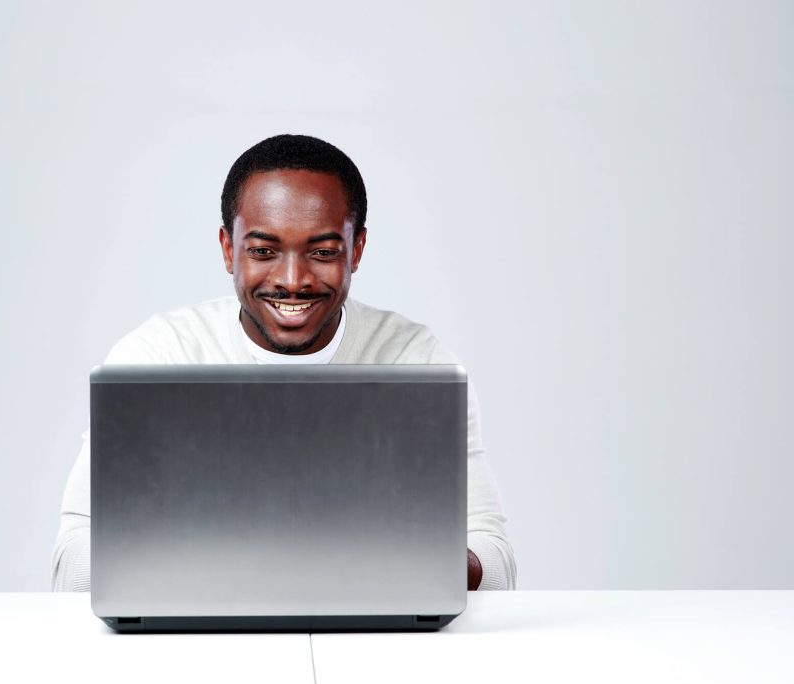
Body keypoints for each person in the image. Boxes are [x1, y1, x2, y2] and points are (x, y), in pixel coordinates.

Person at [52, 134, 516, 592]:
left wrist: (408, 563)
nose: (293, 281)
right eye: (263, 251)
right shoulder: (156, 357)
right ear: (228, 249)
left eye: (323, 252)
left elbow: (495, 563)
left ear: (356, 250)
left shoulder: (417, 361)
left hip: (373, 641)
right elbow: (72, 560)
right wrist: (203, 567)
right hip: (193, 641)